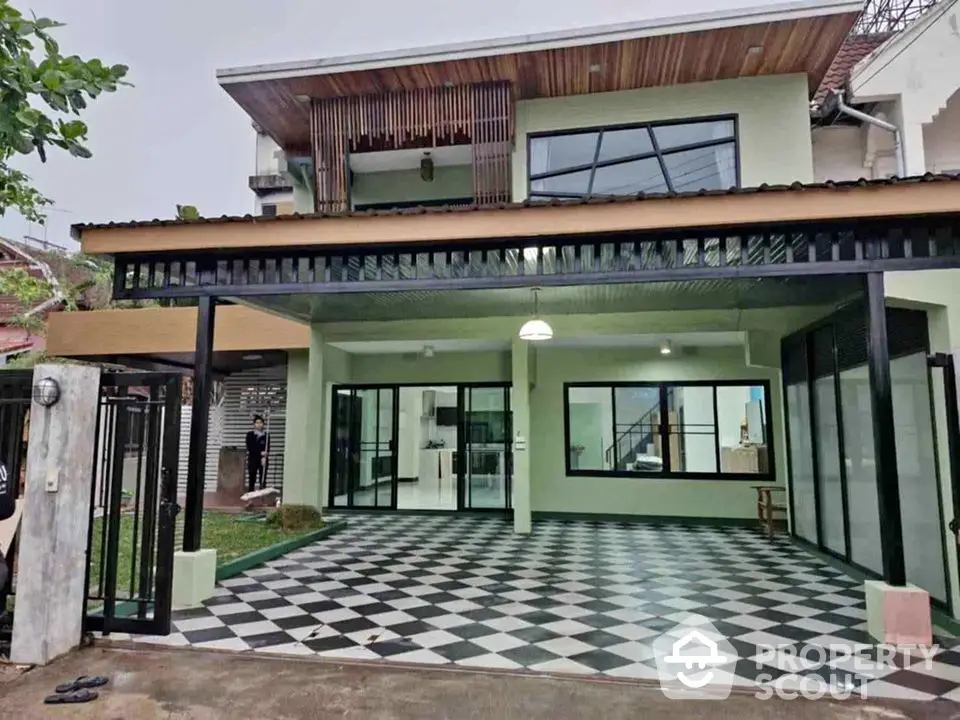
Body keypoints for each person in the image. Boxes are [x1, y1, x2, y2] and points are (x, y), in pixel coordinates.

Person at [245, 415, 269, 492]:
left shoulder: (266, 436)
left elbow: (267, 448)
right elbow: (250, 448)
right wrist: (260, 453)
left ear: (263, 424)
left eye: (260, 422)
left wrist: (265, 457)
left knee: (262, 480)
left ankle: (262, 500)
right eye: (257, 423)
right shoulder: (250, 435)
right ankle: (250, 500)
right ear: (254, 424)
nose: (259, 424)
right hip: (252, 460)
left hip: (262, 460)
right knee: (252, 479)